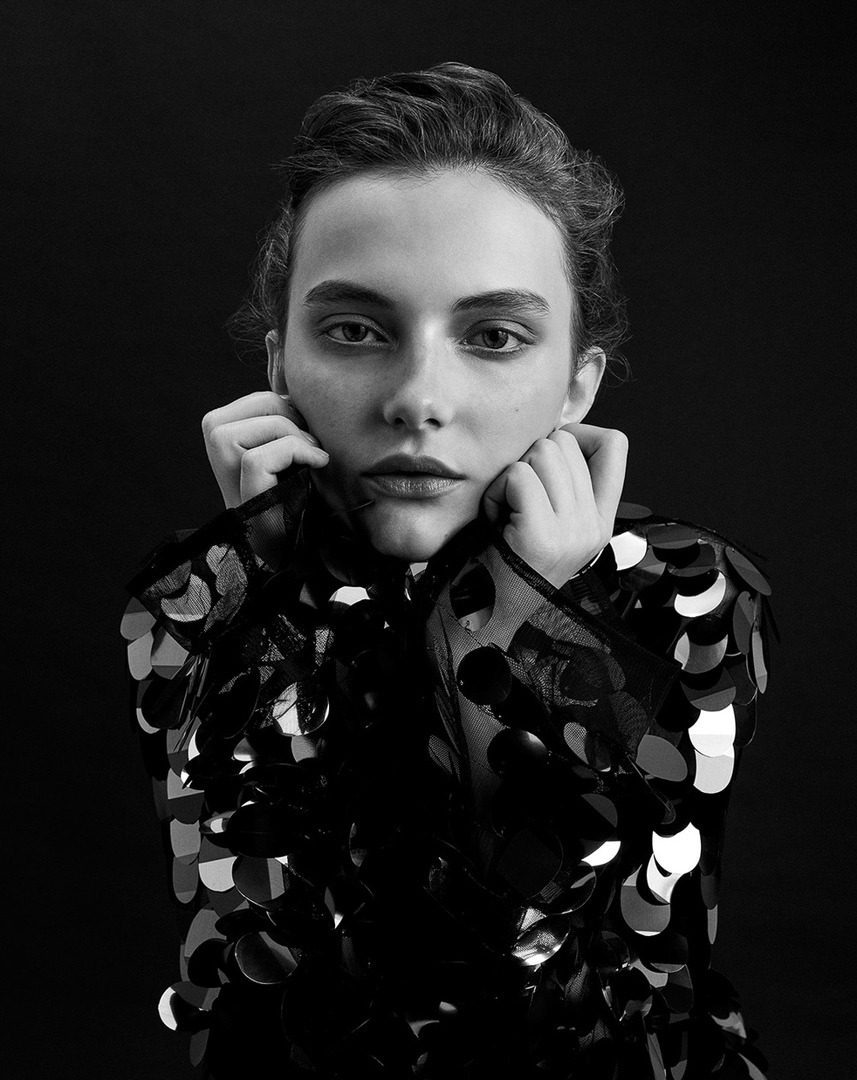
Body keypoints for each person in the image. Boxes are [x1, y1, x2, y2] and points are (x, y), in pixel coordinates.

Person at [120, 62, 774, 1079]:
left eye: (494, 336)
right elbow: (259, 992)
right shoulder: (202, 602)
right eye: (354, 330)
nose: (419, 398)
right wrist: (288, 600)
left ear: (575, 386)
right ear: (280, 366)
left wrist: (523, 625)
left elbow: (543, 983)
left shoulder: (684, 598)